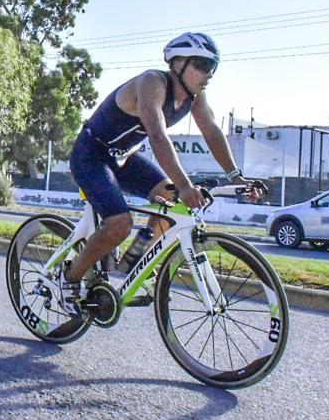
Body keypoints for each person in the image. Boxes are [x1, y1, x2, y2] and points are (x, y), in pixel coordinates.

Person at [58, 32, 265, 315]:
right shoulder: (152, 83)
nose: (210, 74)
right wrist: (184, 184)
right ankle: (69, 279)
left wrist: (236, 177)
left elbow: (212, 132)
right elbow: (157, 135)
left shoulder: (195, 97)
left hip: (124, 158)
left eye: (213, 67)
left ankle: (132, 260)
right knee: (119, 224)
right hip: (91, 154)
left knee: (171, 206)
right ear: (178, 63)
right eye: (203, 66)